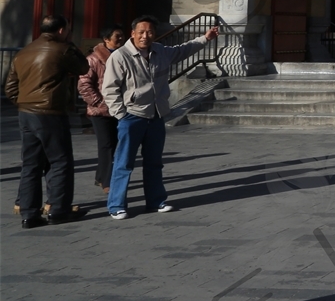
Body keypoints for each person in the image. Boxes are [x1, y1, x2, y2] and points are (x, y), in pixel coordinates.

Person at [100, 14, 217, 219]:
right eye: (142, 32)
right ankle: (116, 205)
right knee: (124, 163)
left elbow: (183, 50)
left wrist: (205, 39)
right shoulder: (120, 57)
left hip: (156, 115)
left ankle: (156, 201)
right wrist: (121, 114)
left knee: (154, 162)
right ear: (133, 34)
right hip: (132, 116)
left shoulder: (160, 51)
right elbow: (109, 89)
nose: (146, 36)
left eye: (150, 32)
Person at [5, 15, 90, 228]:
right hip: (50, 112)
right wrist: (70, 43)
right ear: (61, 30)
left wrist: (25, 103)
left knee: (31, 164)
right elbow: (83, 67)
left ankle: (29, 213)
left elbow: (10, 88)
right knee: (60, 161)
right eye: (68, 30)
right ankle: (58, 210)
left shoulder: (24, 52)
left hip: (26, 113)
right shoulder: (62, 49)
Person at [79, 25, 127, 190]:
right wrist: (98, 102)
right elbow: (84, 84)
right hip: (100, 110)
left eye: (122, 35)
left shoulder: (124, 56)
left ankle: (100, 176)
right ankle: (107, 182)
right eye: (116, 36)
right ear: (106, 40)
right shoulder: (93, 59)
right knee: (106, 145)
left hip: (118, 108)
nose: (120, 39)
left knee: (114, 143)